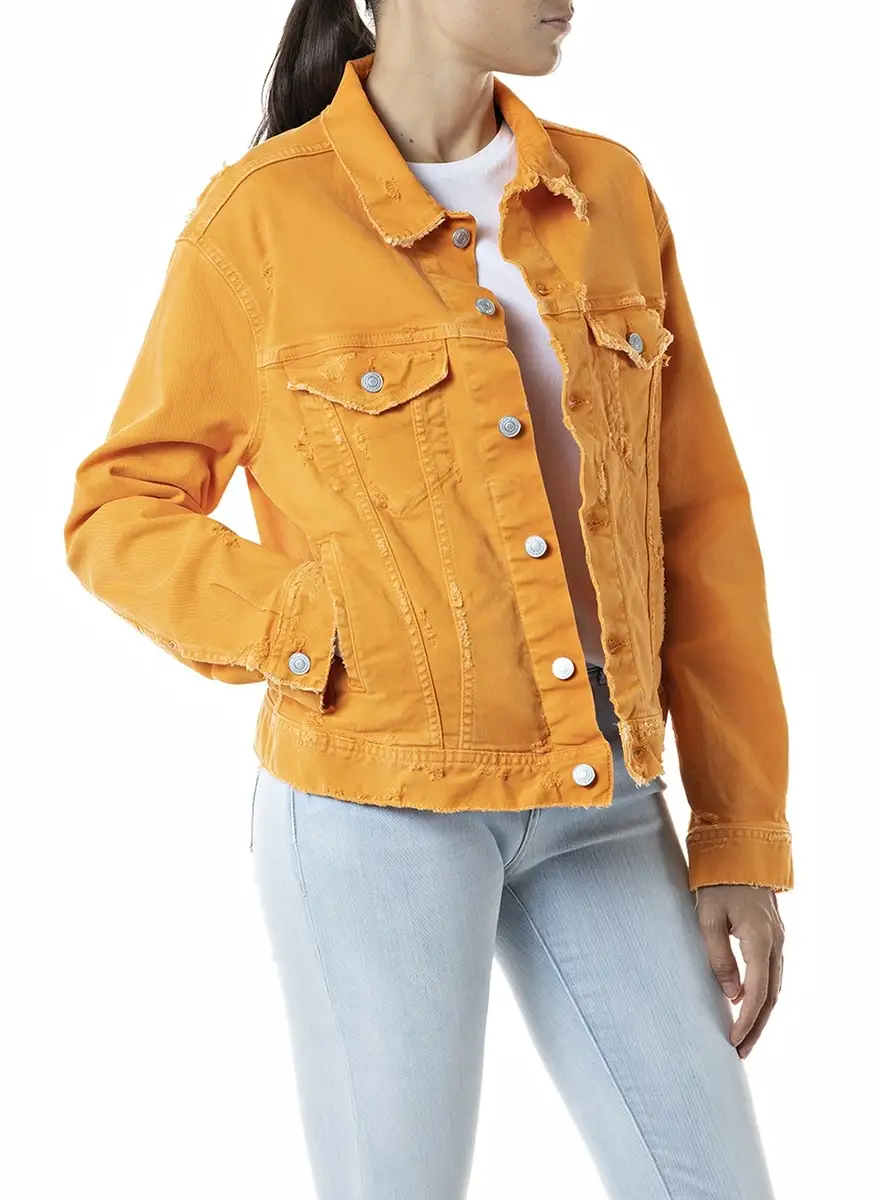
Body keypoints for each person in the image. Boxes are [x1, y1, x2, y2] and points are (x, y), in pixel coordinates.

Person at [63, 2, 793, 1196]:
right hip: (376, 808)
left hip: (603, 789)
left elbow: (697, 521)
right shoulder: (264, 218)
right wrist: (315, 629)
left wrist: (738, 838)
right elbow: (121, 508)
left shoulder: (610, 193)